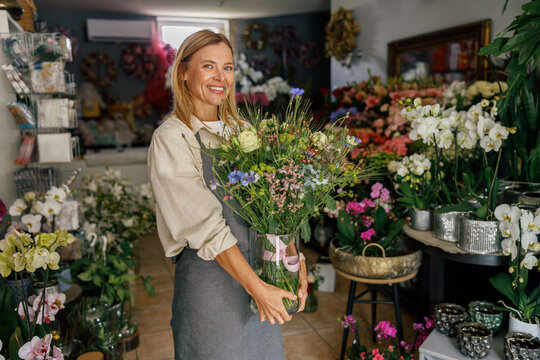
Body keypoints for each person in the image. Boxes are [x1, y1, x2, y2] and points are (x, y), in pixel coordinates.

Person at [147, 30, 308, 360]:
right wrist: (257, 288)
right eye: (208, 66)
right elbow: (207, 228)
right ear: (183, 72)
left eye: (229, 67)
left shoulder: (243, 132)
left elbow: (276, 207)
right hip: (211, 289)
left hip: (261, 277)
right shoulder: (173, 138)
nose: (221, 78)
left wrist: (295, 261)